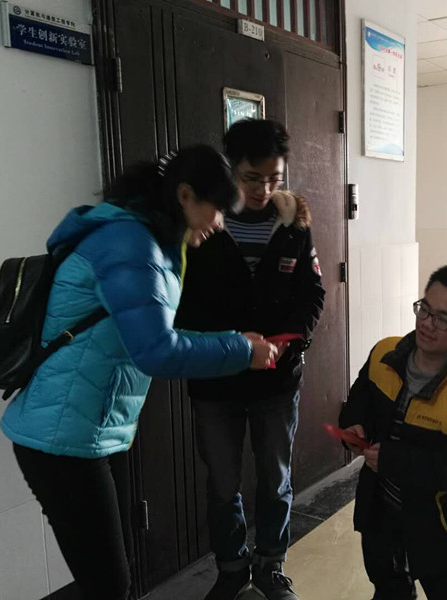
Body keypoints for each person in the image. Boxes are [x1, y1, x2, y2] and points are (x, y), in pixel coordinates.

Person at [0, 145, 278, 600]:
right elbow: (156, 352)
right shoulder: (130, 242)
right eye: (217, 210)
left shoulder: (143, 237)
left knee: (106, 580)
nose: (219, 223)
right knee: (110, 585)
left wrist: (235, 341)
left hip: (80, 432)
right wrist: (241, 351)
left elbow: (154, 333)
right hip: (61, 439)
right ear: (185, 195)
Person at [175, 119, 324, 600]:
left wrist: (293, 342)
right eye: (251, 178)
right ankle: (232, 568)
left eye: (274, 178)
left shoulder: (294, 224)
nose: (264, 189)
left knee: (275, 479)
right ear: (230, 170)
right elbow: (180, 301)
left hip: (276, 380)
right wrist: (227, 345)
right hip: (215, 380)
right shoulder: (202, 223)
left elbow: (312, 293)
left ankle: (270, 566)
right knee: (222, 483)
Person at [339, 262, 447, 600]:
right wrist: (353, 422)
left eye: (443, 319)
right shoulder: (384, 353)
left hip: (439, 527)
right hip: (379, 512)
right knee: (388, 588)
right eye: (424, 309)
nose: (427, 324)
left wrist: (391, 460)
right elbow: (360, 396)